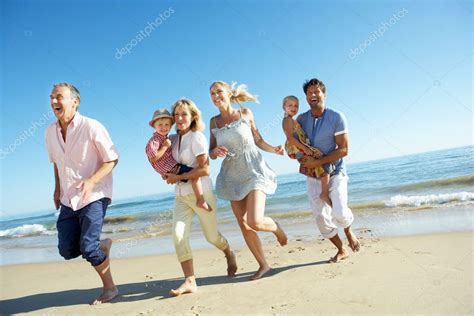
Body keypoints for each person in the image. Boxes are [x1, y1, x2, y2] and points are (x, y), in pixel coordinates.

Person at [45, 83, 119, 304]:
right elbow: (57, 163)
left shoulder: (92, 126)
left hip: (95, 193)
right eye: (51, 97)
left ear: (74, 101)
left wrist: (91, 180)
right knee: (66, 250)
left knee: (88, 247)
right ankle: (101, 246)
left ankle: (110, 288)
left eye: (59, 97)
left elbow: (112, 159)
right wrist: (57, 188)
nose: (54, 101)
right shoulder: (50, 132)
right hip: (69, 197)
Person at [208, 80, 288, 280]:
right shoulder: (214, 122)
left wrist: (274, 149)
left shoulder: (245, 113)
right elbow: (210, 151)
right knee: (244, 224)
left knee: (255, 221)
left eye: (219, 92)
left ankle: (276, 228)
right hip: (231, 176)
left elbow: (258, 139)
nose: (215, 96)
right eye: (212, 93)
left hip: (253, 170)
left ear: (228, 93)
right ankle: (264, 265)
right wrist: (214, 151)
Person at [164, 98, 237, 296]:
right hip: (181, 196)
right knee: (178, 236)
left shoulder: (197, 137)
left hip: (202, 194)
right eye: (176, 114)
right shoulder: (173, 139)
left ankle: (229, 252)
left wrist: (179, 176)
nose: (180, 118)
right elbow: (167, 162)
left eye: (184, 114)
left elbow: (205, 170)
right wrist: (168, 174)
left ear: (193, 117)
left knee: (212, 237)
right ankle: (190, 280)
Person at [298, 78, 360, 263]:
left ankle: (348, 231)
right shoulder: (301, 119)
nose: (313, 95)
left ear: (324, 94)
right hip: (313, 176)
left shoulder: (336, 117)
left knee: (339, 212)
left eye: (317, 92)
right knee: (321, 219)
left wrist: (319, 162)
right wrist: (302, 159)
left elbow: (343, 149)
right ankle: (341, 249)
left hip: (336, 171)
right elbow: (296, 146)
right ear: (306, 97)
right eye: (309, 93)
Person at [145, 108, 212, 211]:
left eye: (167, 125)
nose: (164, 128)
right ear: (154, 126)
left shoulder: (167, 138)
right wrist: (165, 147)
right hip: (171, 167)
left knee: (193, 173)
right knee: (195, 174)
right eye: (160, 125)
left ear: (171, 126)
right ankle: (200, 200)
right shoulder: (155, 141)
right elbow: (153, 159)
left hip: (170, 168)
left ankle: (198, 199)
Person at [281, 95, 334, 207]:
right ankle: (324, 193)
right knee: (323, 162)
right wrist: (305, 148)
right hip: (297, 148)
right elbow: (290, 138)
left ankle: (322, 190)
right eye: (290, 105)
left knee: (320, 163)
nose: (293, 108)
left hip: (299, 148)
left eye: (296, 105)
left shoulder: (292, 120)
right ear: (284, 107)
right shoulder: (287, 120)